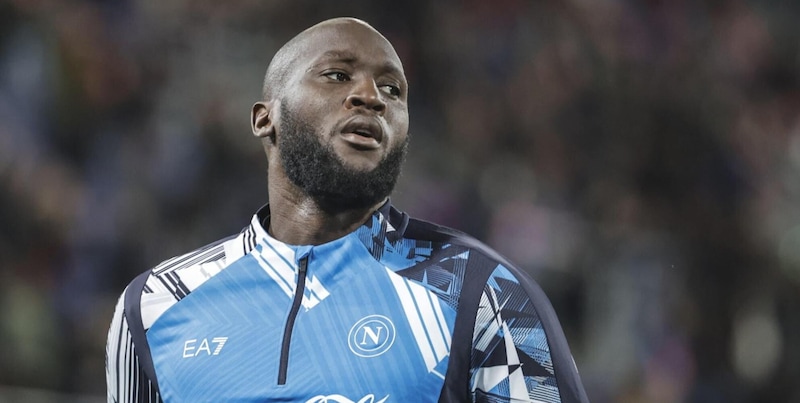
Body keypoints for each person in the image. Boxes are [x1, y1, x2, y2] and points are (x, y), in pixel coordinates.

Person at [105, 17, 589, 403]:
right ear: (265, 118)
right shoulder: (154, 307)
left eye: (393, 90)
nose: (371, 97)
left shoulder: (484, 293)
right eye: (337, 75)